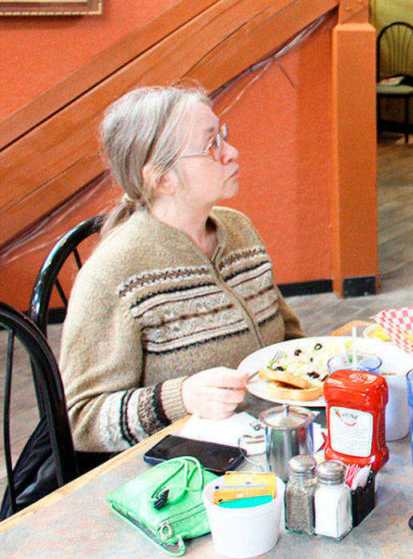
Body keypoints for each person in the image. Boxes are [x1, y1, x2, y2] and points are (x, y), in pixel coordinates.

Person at [60, 86, 304, 456]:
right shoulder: (115, 272)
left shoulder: (239, 231)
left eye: (223, 136)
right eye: (211, 145)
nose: (232, 152)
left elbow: (288, 338)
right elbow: (81, 422)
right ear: (162, 179)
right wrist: (181, 397)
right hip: (183, 471)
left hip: (270, 441)